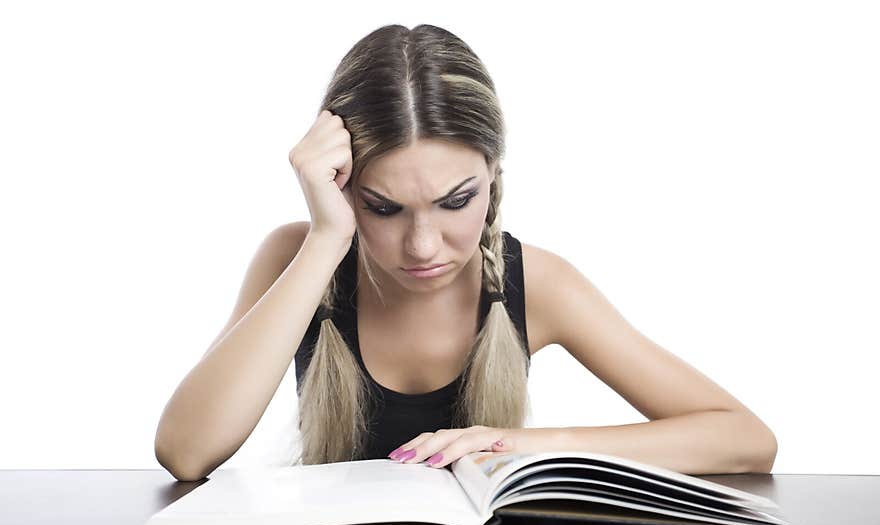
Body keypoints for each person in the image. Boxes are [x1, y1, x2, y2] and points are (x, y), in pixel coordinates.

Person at [154, 24, 777, 482]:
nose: (423, 246)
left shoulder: (537, 281)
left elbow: (745, 438)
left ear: (493, 177)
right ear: (341, 186)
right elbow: (186, 452)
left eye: (455, 202)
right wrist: (325, 240)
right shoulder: (298, 258)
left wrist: (533, 445)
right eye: (383, 207)